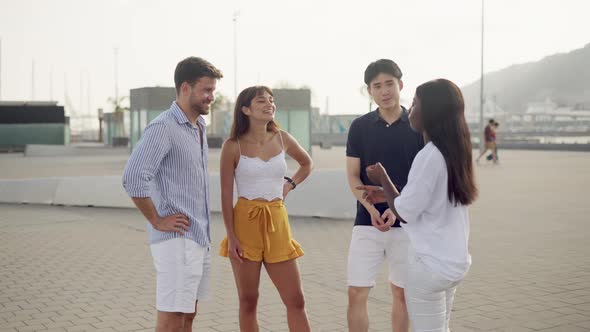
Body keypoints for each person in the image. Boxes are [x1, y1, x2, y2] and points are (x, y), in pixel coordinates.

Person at [358, 79, 477, 332]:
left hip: (429, 266)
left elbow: (404, 211)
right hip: (454, 263)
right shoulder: (455, 150)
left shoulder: (429, 155)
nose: (410, 109)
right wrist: (386, 193)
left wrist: (383, 178)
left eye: (414, 104)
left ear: (431, 112)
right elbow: (425, 199)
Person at [122, 56, 222, 332]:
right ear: (185, 88)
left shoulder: (198, 127)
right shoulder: (164, 126)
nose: (211, 97)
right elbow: (133, 177)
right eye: (206, 90)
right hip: (177, 241)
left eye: (213, 90)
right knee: (172, 318)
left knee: (188, 315)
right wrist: (156, 219)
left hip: (198, 237)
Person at [219, 86, 313, 331]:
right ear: (246, 109)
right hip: (244, 224)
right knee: (248, 301)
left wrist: (289, 185)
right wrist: (231, 237)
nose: (269, 104)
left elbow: (306, 163)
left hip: (277, 222)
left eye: (271, 100)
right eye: (262, 101)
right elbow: (226, 195)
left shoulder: (282, 138)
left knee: (296, 299)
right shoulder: (232, 146)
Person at [346, 59, 423, 332]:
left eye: (389, 83)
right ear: (369, 91)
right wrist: (371, 209)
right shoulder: (359, 127)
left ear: (400, 84)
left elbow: (423, 179)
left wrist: (396, 207)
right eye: (376, 86)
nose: (384, 90)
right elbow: (353, 175)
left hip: (407, 225)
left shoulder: (418, 127)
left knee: (402, 293)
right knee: (356, 292)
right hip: (367, 222)